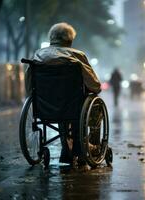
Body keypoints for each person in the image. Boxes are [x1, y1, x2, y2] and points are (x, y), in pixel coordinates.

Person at [27, 22, 101, 166]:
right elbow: (94, 85)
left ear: (51, 38)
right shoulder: (76, 55)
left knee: (62, 106)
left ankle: (67, 150)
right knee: (91, 102)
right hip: (74, 106)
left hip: (46, 107)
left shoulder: (38, 55)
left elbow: (29, 86)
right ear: (70, 40)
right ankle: (89, 146)